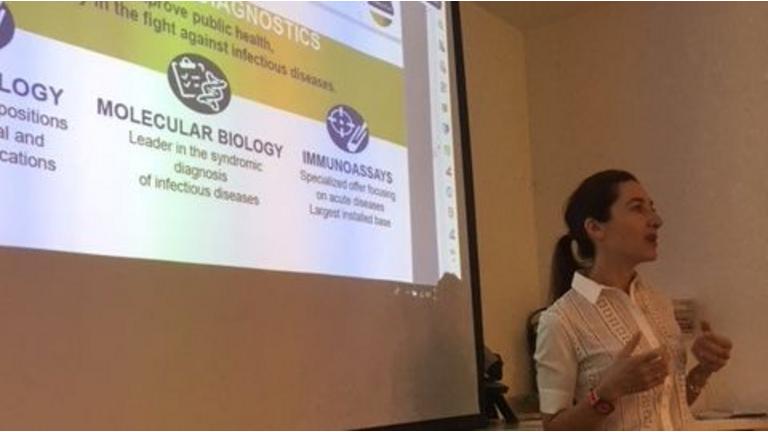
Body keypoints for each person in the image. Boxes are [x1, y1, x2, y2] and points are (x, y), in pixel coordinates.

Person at [534, 170, 733, 430]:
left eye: (652, 208)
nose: (656, 220)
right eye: (637, 208)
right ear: (595, 228)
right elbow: (553, 428)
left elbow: (664, 409)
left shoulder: (660, 304)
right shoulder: (561, 321)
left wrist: (703, 370)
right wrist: (606, 393)